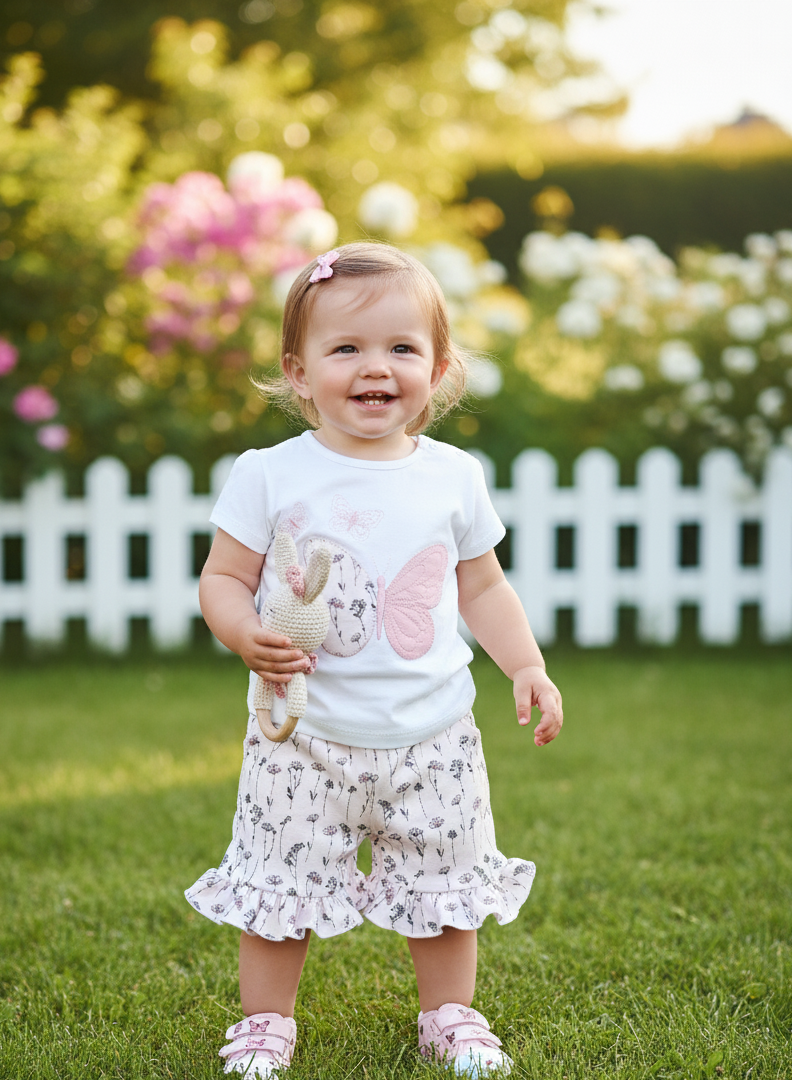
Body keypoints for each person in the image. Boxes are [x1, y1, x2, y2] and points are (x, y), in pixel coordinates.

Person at [186, 242, 563, 1077]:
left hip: (434, 735)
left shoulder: (453, 478)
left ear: (438, 367)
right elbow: (222, 577)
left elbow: (484, 589)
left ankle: (449, 1014)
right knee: (279, 890)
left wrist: (526, 664)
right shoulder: (272, 474)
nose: (375, 369)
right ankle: (265, 1024)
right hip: (303, 737)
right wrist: (242, 630)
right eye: (346, 348)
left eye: (402, 348)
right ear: (297, 368)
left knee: (445, 886)